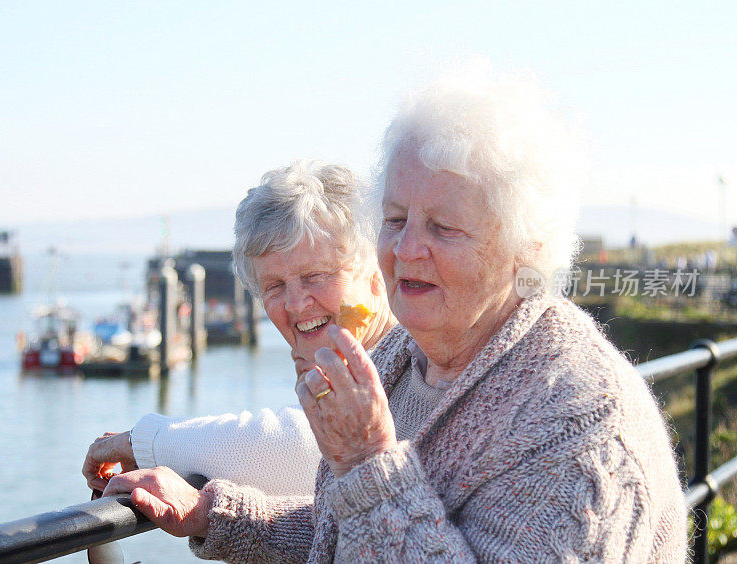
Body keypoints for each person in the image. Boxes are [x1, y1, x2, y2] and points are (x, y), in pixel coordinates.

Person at [104, 66, 687, 562]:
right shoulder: (407, 359)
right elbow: (351, 527)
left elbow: (380, 503)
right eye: (394, 218)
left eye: (443, 226)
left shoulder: (579, 427)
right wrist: (214, 513)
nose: (406, 250)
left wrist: (366, 460)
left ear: (524, 248)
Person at [84, 160, 398, 497]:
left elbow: (301, 449)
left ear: (377, 271)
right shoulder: (344, 367)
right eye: (274, 286)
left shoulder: (416, 358)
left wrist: (145, 442)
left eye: (315, 276)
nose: (294, 304)